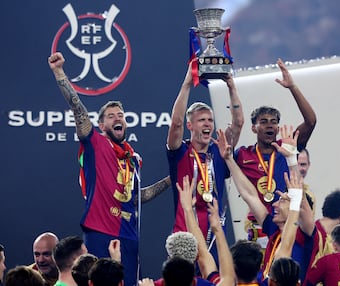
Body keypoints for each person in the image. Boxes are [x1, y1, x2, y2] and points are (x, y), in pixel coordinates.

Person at [48, 52, 171, 286]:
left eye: (121, 115)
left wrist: (169, 180)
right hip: (100, 229)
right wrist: (60, 73)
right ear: (102, 125)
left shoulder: (133, 159)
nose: (118, 118)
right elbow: (79, 111)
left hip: (129, 234)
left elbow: (137, 197)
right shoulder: (95, 143)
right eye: (111, 116)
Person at [234, 58, 316, 248]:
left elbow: (311, 121)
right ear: (254, 128)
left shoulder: (287, 147)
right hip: (258, 227)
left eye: (273, 121)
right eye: (263, 121)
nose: (270, 124)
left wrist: (292, 87)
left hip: (288, 222)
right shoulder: (243, 155)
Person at [214, 127, 313, 282]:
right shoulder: (272, 229)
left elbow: (300, 199)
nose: (274, 205)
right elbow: (250, 195)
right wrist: (229, 160)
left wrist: (292, 161)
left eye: (281, 201)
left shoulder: (304, 232)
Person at [166, 60, 244, 252]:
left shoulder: (220, 151)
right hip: (185, 232)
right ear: (190, 126)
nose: (207, 124)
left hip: (215, 233)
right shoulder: (180, 152)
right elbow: (176, 123)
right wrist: (186, 84)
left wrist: (231, 87)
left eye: (210, 120)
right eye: (201, 120)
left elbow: (239, 122)